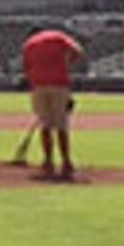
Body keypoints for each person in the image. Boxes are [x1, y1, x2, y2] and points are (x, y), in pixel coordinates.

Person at [18, 23, 84, 181]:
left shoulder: (28, 45)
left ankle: (48, 161)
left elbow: (27, 69)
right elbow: (78, 51)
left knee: (45, 125)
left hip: (39, 85)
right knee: (61, 125)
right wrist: (67, 64)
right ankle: (66, 161)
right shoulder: (58, 37)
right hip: (59, 83)